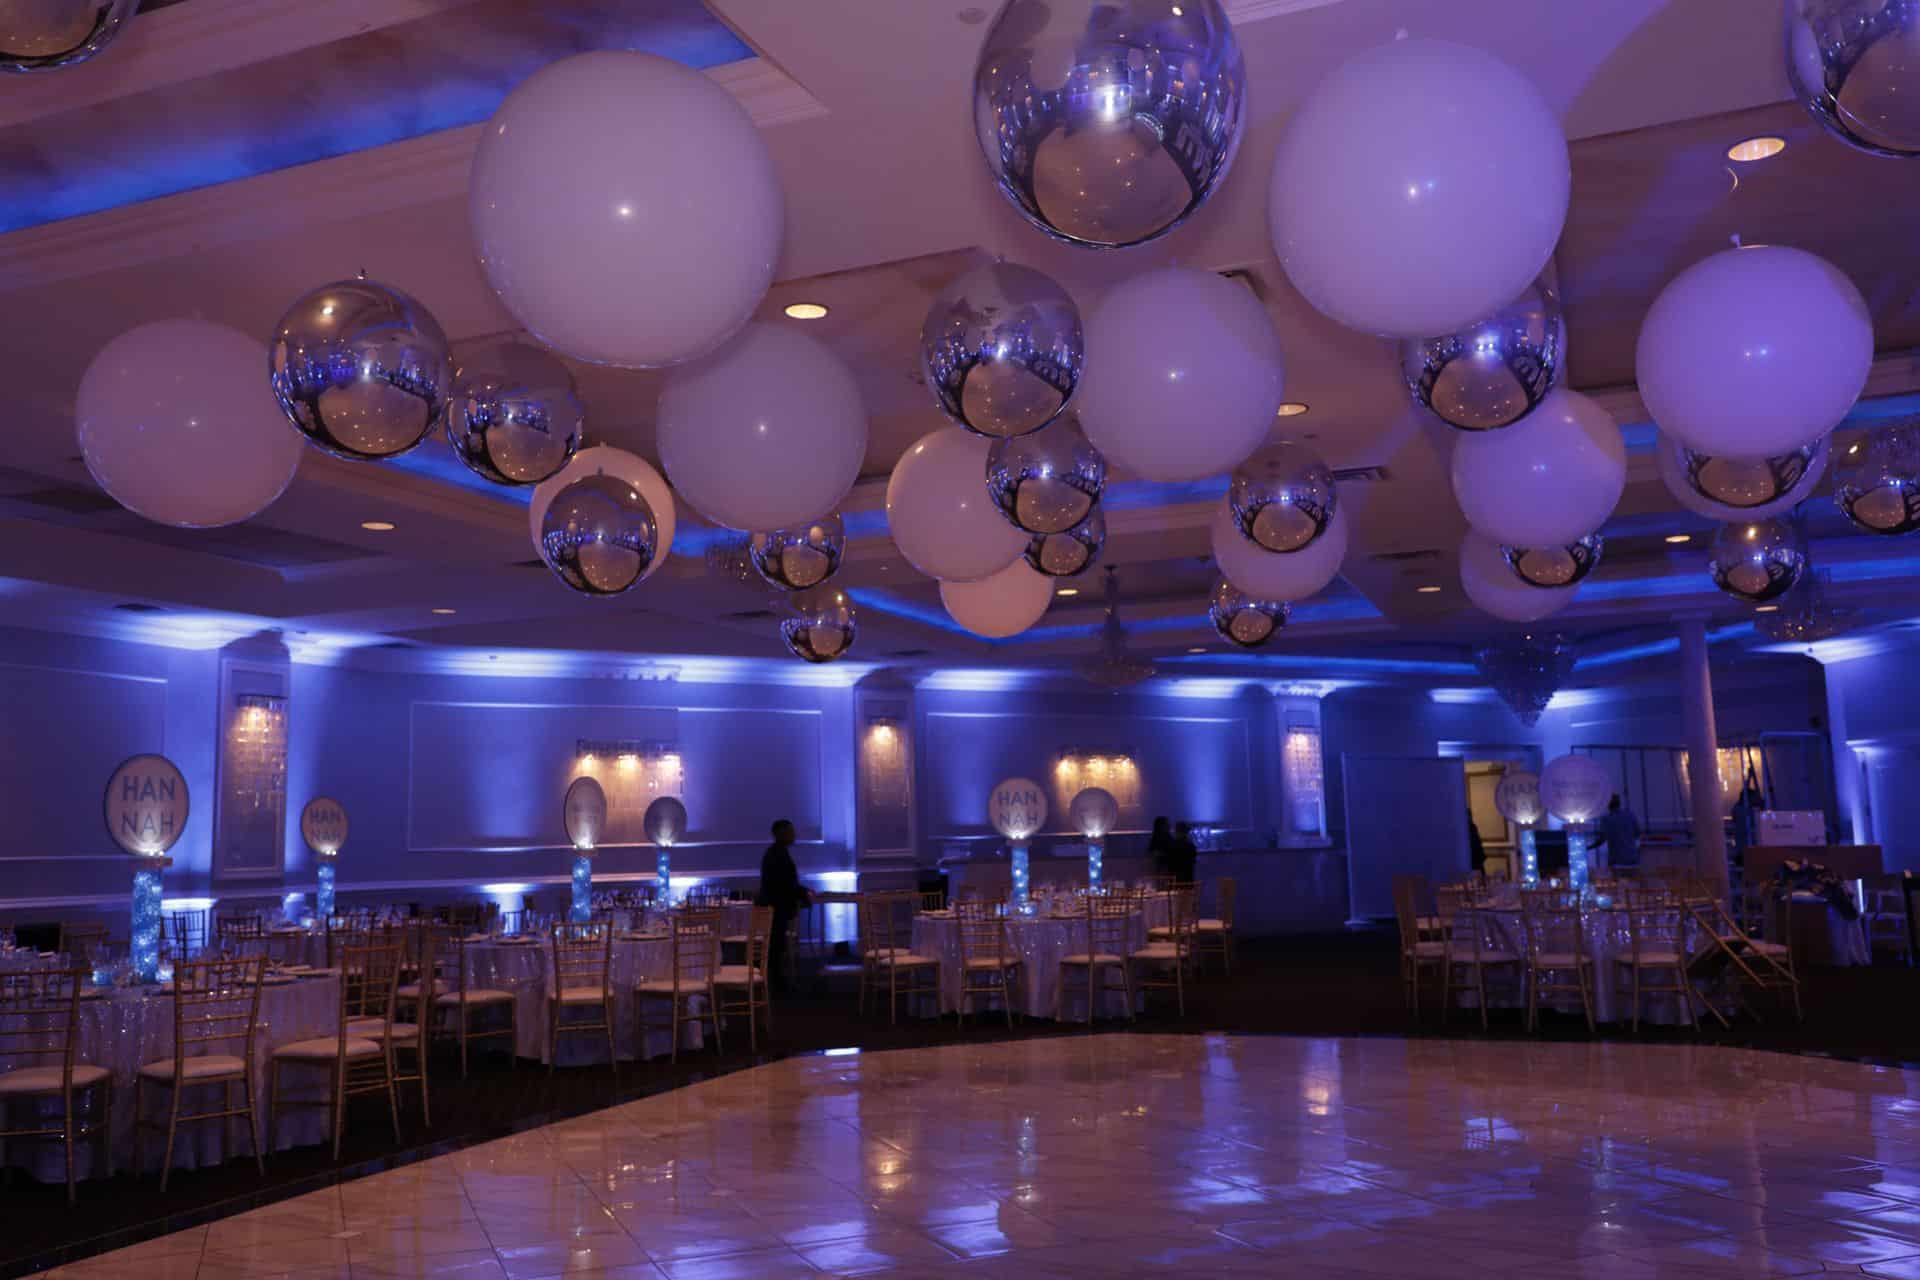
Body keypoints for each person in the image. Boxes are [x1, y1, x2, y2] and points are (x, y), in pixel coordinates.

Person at [756, 818, 806, 992]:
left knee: (776, 946)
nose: (794, 835)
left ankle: (776, 983)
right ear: (780, 833)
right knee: (776, 946)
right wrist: (803, 893)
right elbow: (784, 882)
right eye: (790, 831)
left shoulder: (775, 853)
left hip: (775, 906)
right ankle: (777, 985)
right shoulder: (778, 854)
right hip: (776, 907)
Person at [1594, 794, 1642, 874]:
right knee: (1633, 884)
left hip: (1616, 860)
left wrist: (1587, 848)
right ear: (1619, 803)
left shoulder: (1606, 819)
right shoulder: (1630, 815)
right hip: (1632, 859)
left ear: (1607, 804)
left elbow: (1601, 840)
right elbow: (1637, 833)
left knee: (1618, 884)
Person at [1467, 810, 1487, 875]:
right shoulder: (1471, 827)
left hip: (1476, 858)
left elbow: (1477, 843)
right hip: (1475, 859)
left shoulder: (1472, 827)